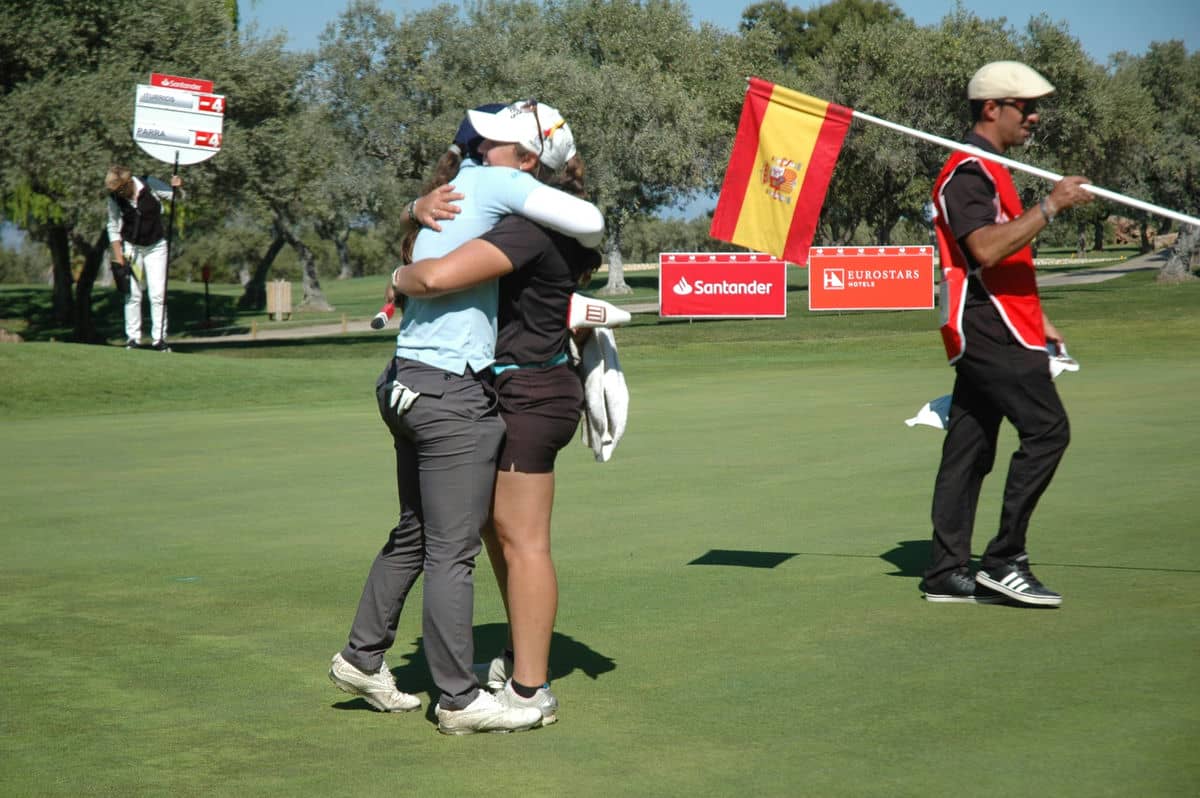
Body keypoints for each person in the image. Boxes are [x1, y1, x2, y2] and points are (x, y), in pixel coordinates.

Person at [328, 102, 603, 735]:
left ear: (529, 163)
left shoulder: (524, 220)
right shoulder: (507, 206)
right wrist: (412, 208)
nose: (480, 150)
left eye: (497, 144)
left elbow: (439, 275)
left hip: (524, 394)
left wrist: (402, 273)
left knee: (507, 541)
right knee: (450, 534)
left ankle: (510, 689)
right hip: (479, 388)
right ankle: (371, 656)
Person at [921, 61, 1094, 607]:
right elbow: (985, 249)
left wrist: (1038, 320)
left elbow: (1004, 260)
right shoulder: (967, 174)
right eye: (1026, 107)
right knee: (1048, 432)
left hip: (1003, 324)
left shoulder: (991, 169)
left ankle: (947, 572)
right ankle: (1003, 561)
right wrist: (1052, 205)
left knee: (969, 448)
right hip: (988, 330)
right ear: (992, 109)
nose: (1035, 117)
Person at [104, 166, 182, 351]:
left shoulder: (149, 183)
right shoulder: (115, 198)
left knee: (157, 294)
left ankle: (159, 340)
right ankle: (133, 339)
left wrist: (176, 187)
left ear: (129, 181)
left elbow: (176, 197)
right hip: (132, 249)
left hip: (156, 247)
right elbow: (113, 227)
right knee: (133, 294)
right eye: (116, 191)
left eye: (121, 189)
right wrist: (118, 256)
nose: (120, 194)